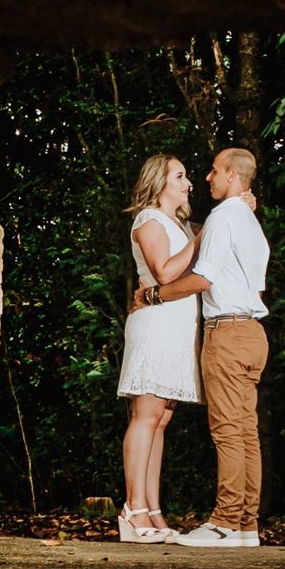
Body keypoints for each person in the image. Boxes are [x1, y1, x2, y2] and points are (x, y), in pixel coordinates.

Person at [135, 148, 270, 548]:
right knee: (246, 432)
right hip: (253, 333)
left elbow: (203, 278)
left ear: (231, 176)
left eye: (213, 171)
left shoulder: (223, 217)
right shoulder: (249, 222)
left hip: (227, 332)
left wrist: (152, 296)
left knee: (227, 431)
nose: (206, 178)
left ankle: (224, 522)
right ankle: (246, 525)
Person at [116, 154, 202, 543]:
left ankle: (152, 509)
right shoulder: (149, 219)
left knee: (161, 420)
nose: (188, 183)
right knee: (146, 416)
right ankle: (132, 509)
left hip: (178, 328)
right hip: (155, 325)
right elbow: (165, 271)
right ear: (160, 182)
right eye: (180, 176)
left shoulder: (178, 224)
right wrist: (199, 240)